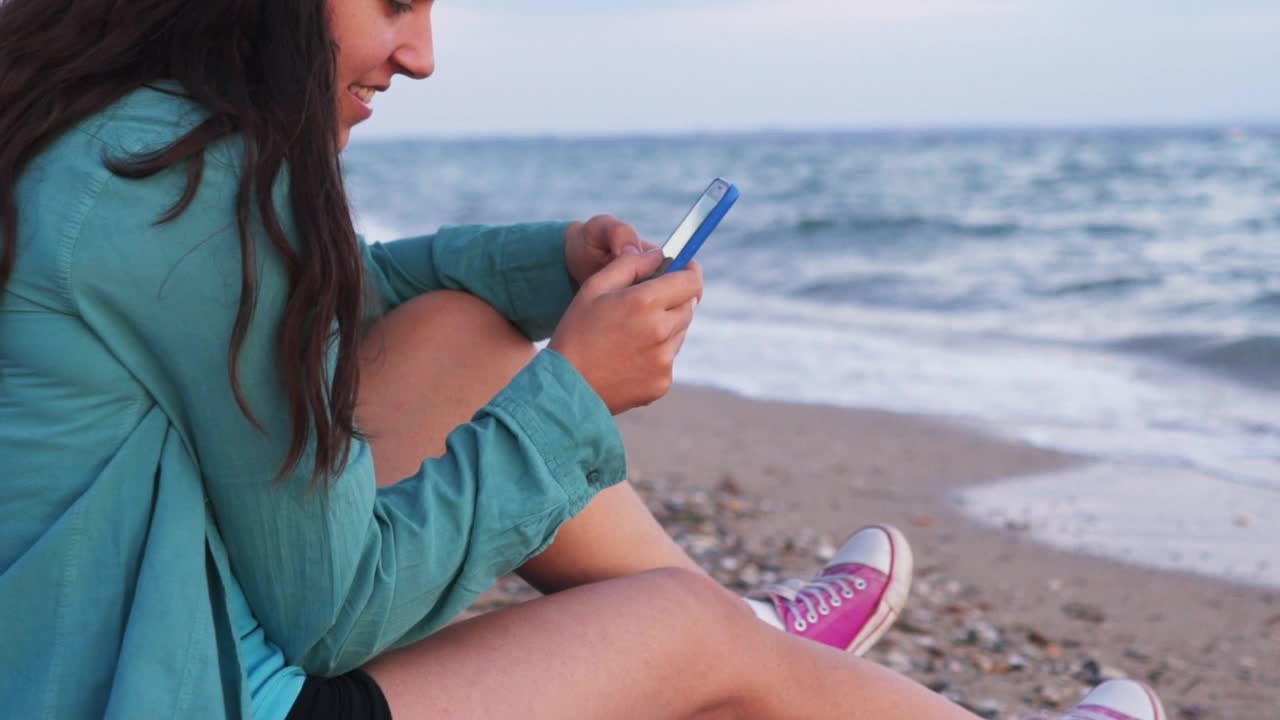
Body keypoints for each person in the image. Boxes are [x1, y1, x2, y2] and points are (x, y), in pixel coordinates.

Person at [0, 1, 1167, 719]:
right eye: (392, 0)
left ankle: (760, 652)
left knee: (460, 325)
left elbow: (318, 298)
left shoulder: (97, 129)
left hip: (77, 645)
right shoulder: (193, 183)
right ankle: (742, 648)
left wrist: (541, 261)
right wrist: (574, 395)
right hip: (150, 687)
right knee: (675, 626)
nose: (419, 56)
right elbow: (334, 615)